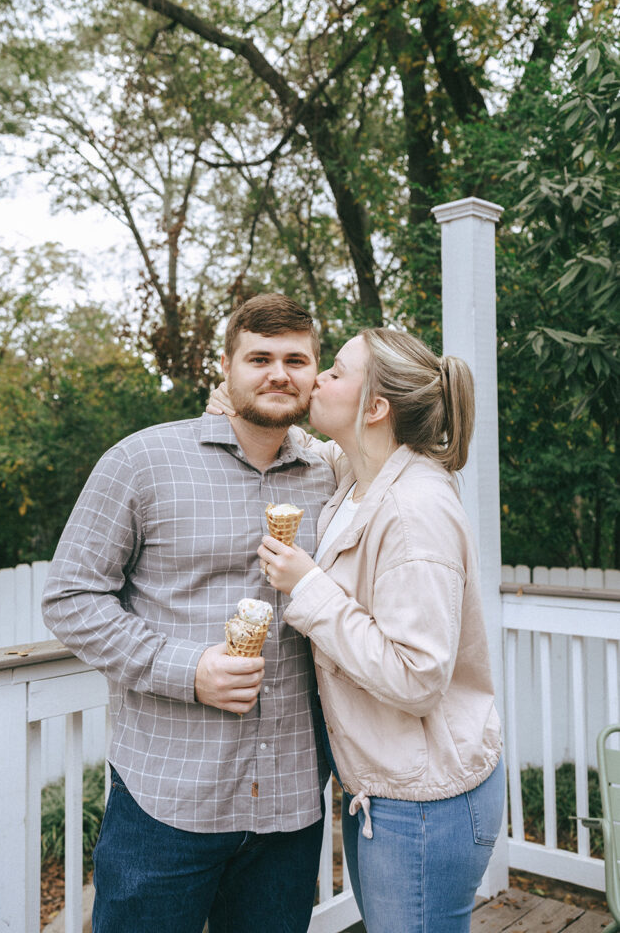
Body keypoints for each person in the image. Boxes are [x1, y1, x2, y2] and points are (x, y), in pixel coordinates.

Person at [41, 293, 337, 933]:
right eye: (259, 357)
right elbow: (70, 597)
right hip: (167, 799)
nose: (278, 374)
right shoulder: (142, 461)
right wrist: (186, 669)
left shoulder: (330, 475)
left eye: (296, 359)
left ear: (316, 373)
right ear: (226, 367)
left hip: (289, 804)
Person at [254, 328, 505, 933]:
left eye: (335, 372)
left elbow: (417, 676)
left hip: (424, 806)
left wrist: (307, 587)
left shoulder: (413, 512)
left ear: (375, 408)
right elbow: (326, 451)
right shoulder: (367, 475)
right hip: (386, 792)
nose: (317, 380)